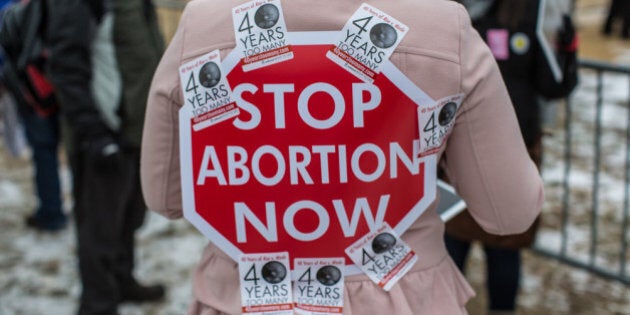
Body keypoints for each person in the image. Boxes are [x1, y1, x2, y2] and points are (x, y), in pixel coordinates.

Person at [140, 0, 544, 314]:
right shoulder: (443, 25)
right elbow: (507, 213)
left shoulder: (204, 20)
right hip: (404, 299)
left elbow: (166, 198)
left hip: (245, 298)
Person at [445, 1, 578, 314]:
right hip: (458, 151)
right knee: (455, 243)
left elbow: (553, 83)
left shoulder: (528, 10)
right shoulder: (453, 10)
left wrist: (566, 47)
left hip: (506, 149)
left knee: (498, 244)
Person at [43, 0, 165, 314]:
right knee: (99, 227)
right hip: (102, 132)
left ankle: (122, 281)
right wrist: (95, 132)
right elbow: (66, 65)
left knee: (127, 217)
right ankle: (98, 302)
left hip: (136, 128)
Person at [0, 0, 68, 232]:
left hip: (32, 89)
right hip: (66, 84)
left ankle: (51, 213)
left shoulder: (11, 8)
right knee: (70, 150)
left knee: (44, 151)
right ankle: (68, 211)